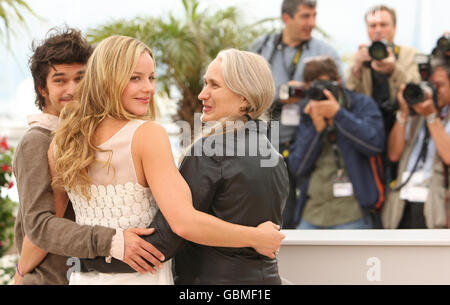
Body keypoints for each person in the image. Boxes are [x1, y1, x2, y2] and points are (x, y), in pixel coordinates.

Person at [43, 37, 285, 284]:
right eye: (135, 78)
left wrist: (92, 252)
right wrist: (256, 237)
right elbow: (183, 223)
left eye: (151, 78)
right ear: (107, 78)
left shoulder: (61, 142)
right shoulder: (149, 134)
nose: (149, 88)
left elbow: (48, 226)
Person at [12, 27, 160, 285]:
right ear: (42, 89)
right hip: (51, 278)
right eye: (60, 80)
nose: (73, 89)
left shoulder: (91, 134)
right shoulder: (38, 140)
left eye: (80, 78)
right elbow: (39, 225)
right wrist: (21, 273)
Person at [250, 0, 343, 228]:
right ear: (286, 18)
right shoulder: (262, 49)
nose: (311, 23)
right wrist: (280, 99)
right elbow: (246, 96)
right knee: (267, 214)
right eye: (305, 16)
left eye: (314, 16)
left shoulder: (325, 53)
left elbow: (340, 96)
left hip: (310, 144)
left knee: (305, 216)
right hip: (266, 145)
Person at [287, 56, 385, 229]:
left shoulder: (361, 104)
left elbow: (374, 144)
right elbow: (297, 167)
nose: (320, 92)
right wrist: (316, 130)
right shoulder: (308, 112)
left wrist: (338, 115)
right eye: (313, 88)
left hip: (352, 212)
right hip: (313, 213)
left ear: (338, 82)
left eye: (324, 86)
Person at [382, 53, 450, 229]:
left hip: (435, 206)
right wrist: (403, 114)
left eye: (439, 86)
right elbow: (394, 154)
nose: (433, 91)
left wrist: (431, 117)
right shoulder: (416, 113)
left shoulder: (431, 114)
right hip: (404, 202)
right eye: (430, 85)